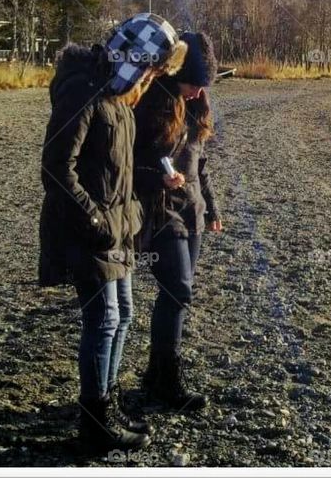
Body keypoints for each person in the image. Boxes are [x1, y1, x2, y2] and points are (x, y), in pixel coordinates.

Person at [38, 14, 187, 451]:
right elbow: (56, 167)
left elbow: (117, 172)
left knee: (123, 316)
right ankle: (94, 422)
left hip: (116, 230)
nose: (151, 80)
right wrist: (96, 221)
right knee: (103, 320)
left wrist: (132, 214)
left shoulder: (117, 97)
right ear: (135, 59)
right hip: (88, 232)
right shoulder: (84, 90)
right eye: (152, 69)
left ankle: (108, 403)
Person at [134, 31, 222, 411]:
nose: (199, 94)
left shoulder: (197, 107)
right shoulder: (148, 105)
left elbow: (199, 166)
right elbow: (127, 166)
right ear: (174, 74)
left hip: (193, 212)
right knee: (177, 292)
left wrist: (213, 207)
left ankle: (155, 376)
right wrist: (158, 178)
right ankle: (167, 383)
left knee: (176, 297)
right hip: (160, 212)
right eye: (194, 84)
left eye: (205, 87)